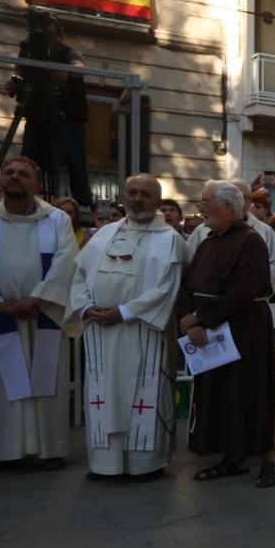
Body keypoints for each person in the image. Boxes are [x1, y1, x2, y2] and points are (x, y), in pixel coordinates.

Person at [0, 157, 78, 473]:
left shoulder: (56, 221)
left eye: (23, 174)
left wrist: (38, 297)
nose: (15, 177)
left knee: (45, 382)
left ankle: (49, 448)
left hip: (43, 314)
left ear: (37, 185)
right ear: (0, 180)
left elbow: (67, 262)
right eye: (9, 172)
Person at [68, 174, 185, 482]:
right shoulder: (104, 234)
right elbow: (78, 277)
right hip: (100, 331)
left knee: (143, 394)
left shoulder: (169, 238)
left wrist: (124, 311)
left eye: (145, 194)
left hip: (142, 331)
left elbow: (166, 289)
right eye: (132, 192)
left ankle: (145, 464)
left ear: (158, 202)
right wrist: (85, 308)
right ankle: (105, 464)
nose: (137, 199)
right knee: (101, 394)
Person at [178, 180, 275, 486]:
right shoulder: (208, 241)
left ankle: (269, 459)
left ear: (228, 207)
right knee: (220, 395)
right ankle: (231, 456)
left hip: (243, 328)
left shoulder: (251, 241)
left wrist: (199, 318)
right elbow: (188, 283)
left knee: (249, 393)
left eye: (206, 202)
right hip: (208, 329)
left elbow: (244, 290)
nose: (201, 208)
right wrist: (188, 316)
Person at [7, 9, 92, 209]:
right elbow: (18, 73)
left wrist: (66, 73)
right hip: (37, 115)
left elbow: (80, 67)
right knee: (28, 158)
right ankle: (26, 198)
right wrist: (14, 83)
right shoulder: (27, 51)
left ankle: (84, 203)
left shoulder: (67, 52)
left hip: (68, 117)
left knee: (74, 160)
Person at [186, 178, 275, 294]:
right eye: (231, 195)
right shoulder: (203, 231)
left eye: (242, 196)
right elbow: (189, 266)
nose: (237, 200)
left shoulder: (263, 233)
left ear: (250, 200)